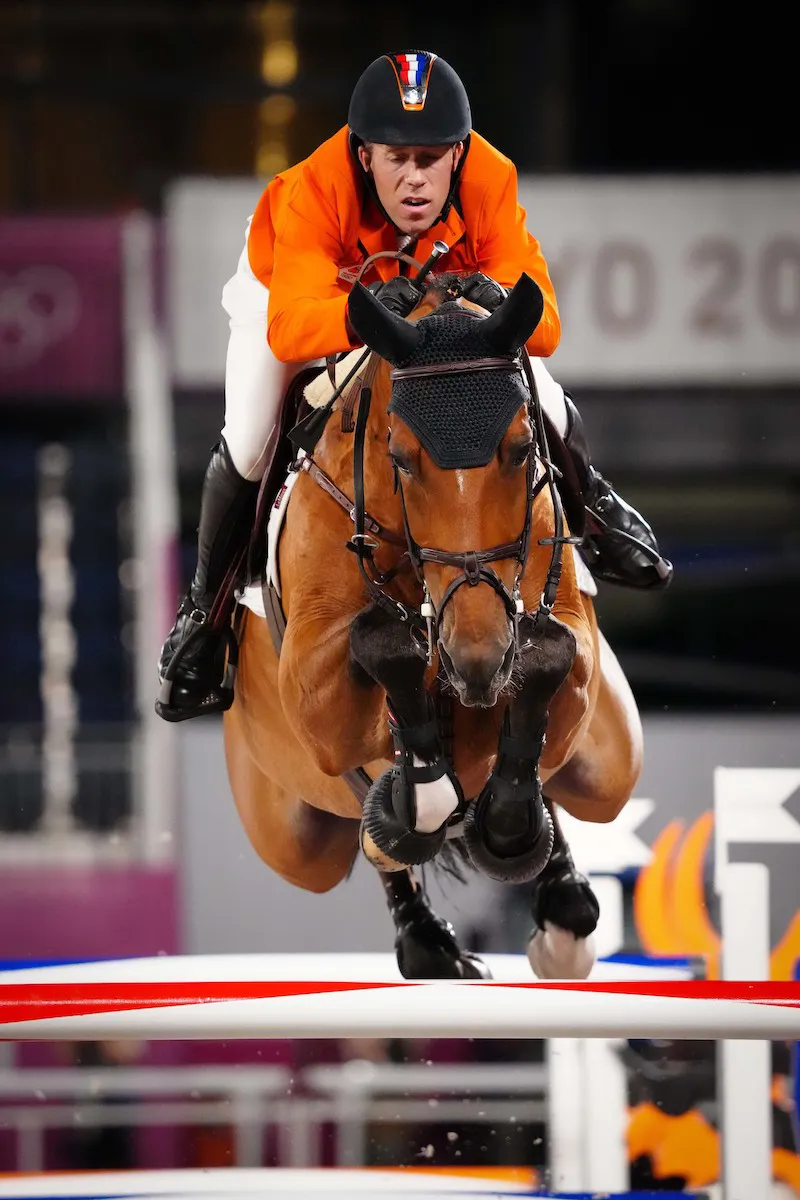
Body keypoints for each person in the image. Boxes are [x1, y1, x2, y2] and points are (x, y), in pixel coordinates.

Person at [156, 50, 672, 722]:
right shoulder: (313, 189)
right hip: (295, 296)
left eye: (431, 158)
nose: (415, 179)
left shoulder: (490, 177)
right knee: (253, 438)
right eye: (396, 158)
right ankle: (205, 615)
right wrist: (366, 309)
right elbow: (288, 328)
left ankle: (594, 509)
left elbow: (542, 325)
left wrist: (492, 301)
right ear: (362, 154)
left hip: (430, 304)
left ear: (458, 155)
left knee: (534, 385)